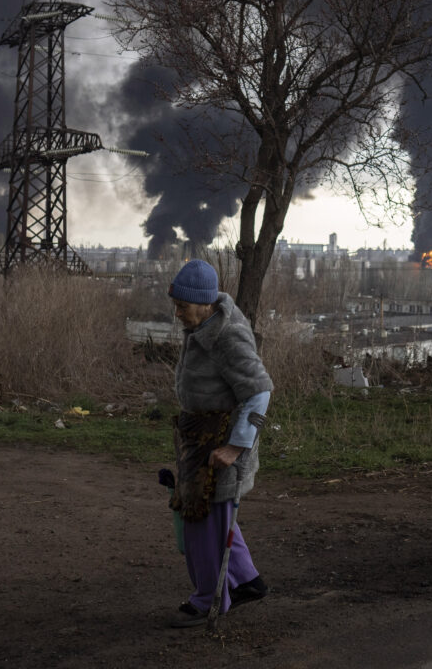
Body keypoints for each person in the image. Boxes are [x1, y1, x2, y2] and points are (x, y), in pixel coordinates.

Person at [166, 258, 273, 628]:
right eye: (176, 305)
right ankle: (247, 582)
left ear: (206, 303)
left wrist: (235, 448)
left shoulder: (227, 335)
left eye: (183, 306)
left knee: (202, 524)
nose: (177, 313)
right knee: (218, 520)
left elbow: (259, 393)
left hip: (221, 446)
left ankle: (208, 600)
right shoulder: (203, 325)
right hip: (199, 439)